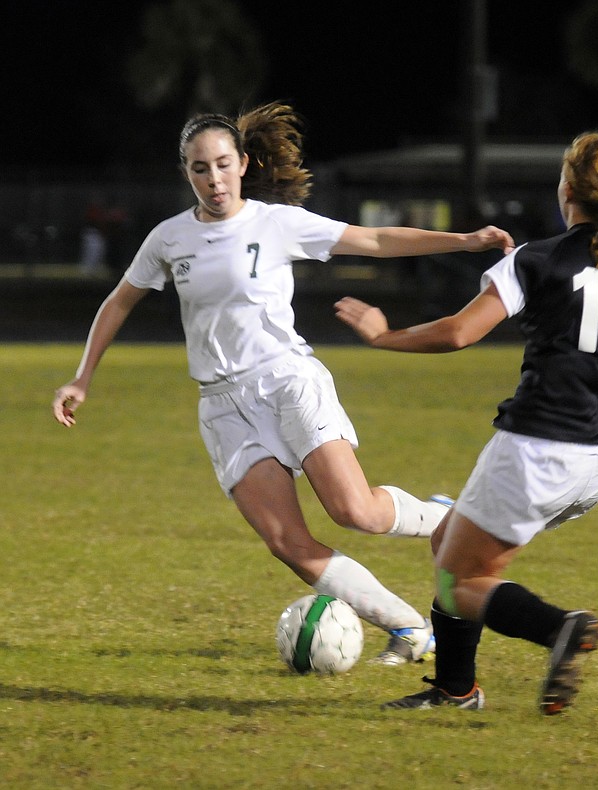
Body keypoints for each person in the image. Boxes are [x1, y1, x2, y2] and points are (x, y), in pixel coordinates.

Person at [51, 102, 515, 666]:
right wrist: (81, 378)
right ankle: (410, 628)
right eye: (200, 169)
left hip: (287, 382)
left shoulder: (275, 223)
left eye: (223, 164)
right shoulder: (168, 239)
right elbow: (118, 301)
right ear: (187, 173)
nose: (214, 179)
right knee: (287, 544)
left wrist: (465, 241)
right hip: (222, 406)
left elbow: (372, 240)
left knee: (356, 513)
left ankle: (448, 519)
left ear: (243, 163)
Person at [334, 132, 598, 712]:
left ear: (567, 190)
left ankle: (556, 630)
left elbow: (459, 332)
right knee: (447, 542)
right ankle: (456, 688)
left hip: (537, 451)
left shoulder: (537, 259)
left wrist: (385, 336)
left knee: (458, 584)